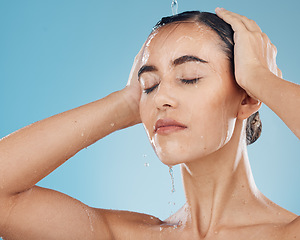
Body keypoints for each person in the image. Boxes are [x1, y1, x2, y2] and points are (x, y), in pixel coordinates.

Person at [0, 7, 299, 239]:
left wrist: (261, 80)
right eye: (150, 84)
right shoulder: (124, 236)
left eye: (189, 78)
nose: (161, 98)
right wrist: (125, 103)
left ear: (246, 99)